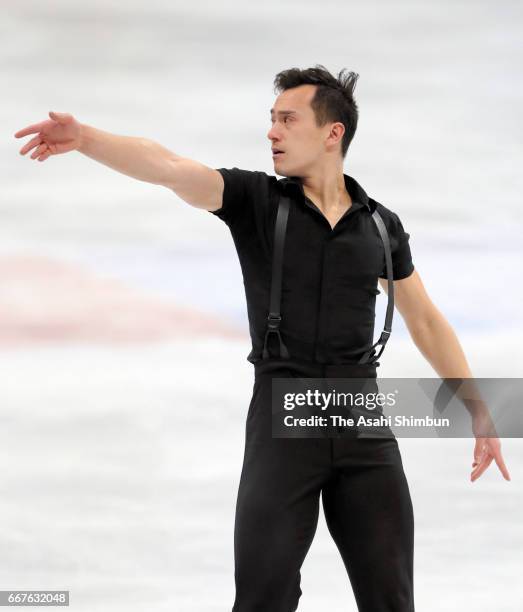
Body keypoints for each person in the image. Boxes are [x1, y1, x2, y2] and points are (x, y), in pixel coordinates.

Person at [14, 64, 511, 612]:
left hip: (361, 424)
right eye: (271, 120)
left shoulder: (379, 225)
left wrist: (477, 406)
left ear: (332, 133)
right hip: (282, 423)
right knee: (262, 598)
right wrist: (85, 139)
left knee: (392, 601)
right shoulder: (257, 202)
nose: (271, 132)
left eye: (287, 119)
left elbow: (425, 320)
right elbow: (169, 167)